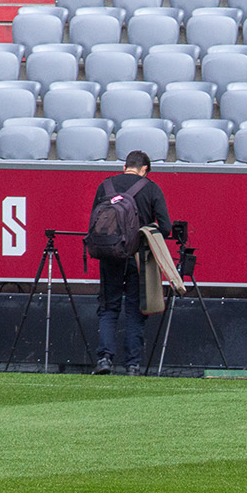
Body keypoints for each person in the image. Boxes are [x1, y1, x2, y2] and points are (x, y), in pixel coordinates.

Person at [87, 149, 171, 376]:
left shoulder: (106, 186)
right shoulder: (151, 188)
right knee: (135, 309)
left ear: (125, 167)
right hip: (139, 257)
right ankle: (132, 365)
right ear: (145, 170)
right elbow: (166, 227)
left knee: (108, 308)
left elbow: (94, 223)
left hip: (110, 254)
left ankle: (104, 359)